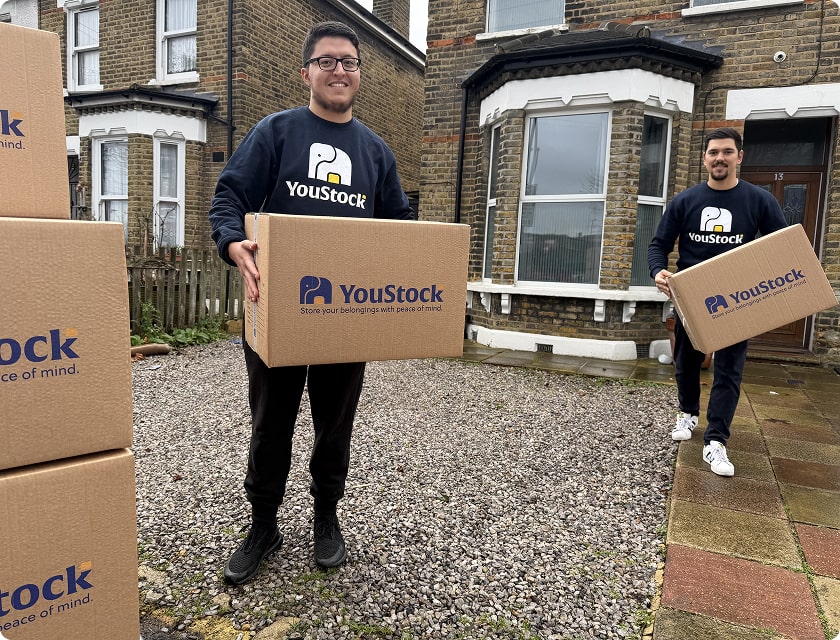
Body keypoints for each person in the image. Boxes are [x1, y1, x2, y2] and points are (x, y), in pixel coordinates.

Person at [209, 20, 415, 584]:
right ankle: (263, 525)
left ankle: (327, 516)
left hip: (346, 316)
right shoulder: (275, 133)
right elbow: (229, 196)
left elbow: (399, 227)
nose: (339, 70)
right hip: (275, 308)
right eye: (327, 61)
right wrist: (233, 243)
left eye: (349, 62)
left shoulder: (375, 151)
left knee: (334, 424)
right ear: (307, 72)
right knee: (271, 422)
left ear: (358, 75)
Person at [647, 127, 786, 477]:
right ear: (704, 158)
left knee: (728, 370)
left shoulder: (759, 201)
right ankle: (688, 412)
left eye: (727, 151)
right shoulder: (685, 201)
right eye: (713, 152)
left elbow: (780, 249)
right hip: (691, 298)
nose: (719, 158)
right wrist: (658, 272)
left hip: (737, 300)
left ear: (739, 157)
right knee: (687, 362)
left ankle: (716, 441)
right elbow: (657, 245)